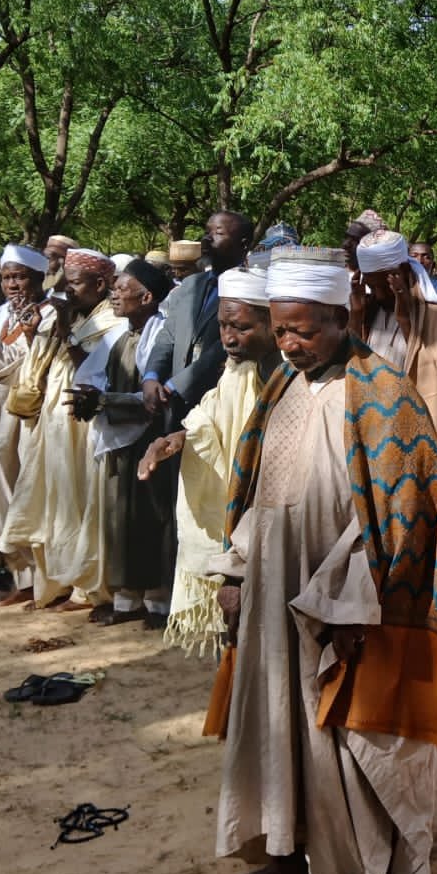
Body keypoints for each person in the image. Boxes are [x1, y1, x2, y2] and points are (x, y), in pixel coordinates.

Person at [204, 247, 437, 874]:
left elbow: (403, 513)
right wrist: (237, 573)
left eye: (307, 330)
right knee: (276, 721)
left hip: (347, 602)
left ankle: (360, 871)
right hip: (273, 593)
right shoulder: (280, 388)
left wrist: (351, 604)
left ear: (342, 314)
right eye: (283, 329)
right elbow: (257, 496)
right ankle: (285, 849)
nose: (293, 343)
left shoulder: (385, 394)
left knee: (347, 734)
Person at [139, 267, 283, 656]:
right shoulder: (237, 369)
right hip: (241, 512)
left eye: (241, 327)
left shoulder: (289, 374)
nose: (228, 339)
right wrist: (173, 441)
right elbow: (212, 419)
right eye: (222, 327)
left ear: (273, 322)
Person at [0, 249, 126, 611]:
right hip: (53, 427)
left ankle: (89, 589)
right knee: (52, 503)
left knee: (80, 504)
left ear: (100, 285)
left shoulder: (111, 322)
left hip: (82, 429)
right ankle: (56, 584)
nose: (67, 291)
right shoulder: (71, 316)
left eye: (75, 284)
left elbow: (94, 368)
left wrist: (67, 329)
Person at [71, 259, 175, 628]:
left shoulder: (163, 334)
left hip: (150, 440)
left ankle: (158, 603)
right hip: (118, 439)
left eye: (122, 287)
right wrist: (88, 397)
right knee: (118, 519)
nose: (114, 293)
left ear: (146, 296)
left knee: (151, 519)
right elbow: (92, 375)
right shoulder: (118, 333)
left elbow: (154, 398)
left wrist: (103, 402)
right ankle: (126, 601)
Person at [0, 245, 53, 603]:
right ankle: (20, 578)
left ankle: (44, 582)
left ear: (39, 279)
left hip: (30, 418)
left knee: (29, 492)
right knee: (0, 492)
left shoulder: (50, 314)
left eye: (20, 277)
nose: (12, 284)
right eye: (7, 277)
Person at [351, 229, 437, 454]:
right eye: (372, 285)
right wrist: (357, 314)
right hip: (370, 427)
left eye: (385, 285)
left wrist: (405, 319)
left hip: (410, 433)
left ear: (405, 271)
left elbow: (434, 378)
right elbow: (352, 366)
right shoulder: (370, 311)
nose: (378, 294)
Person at [143, 212, 253, 417]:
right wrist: (151, 376)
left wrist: (177, 385)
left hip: (215, 404)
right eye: (206, 232)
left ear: (243, 243)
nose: (207, 238)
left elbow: (223, 347)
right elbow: (167, 336)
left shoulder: (249, 291)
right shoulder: (191, 284)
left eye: (218, 233)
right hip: (171, 405)